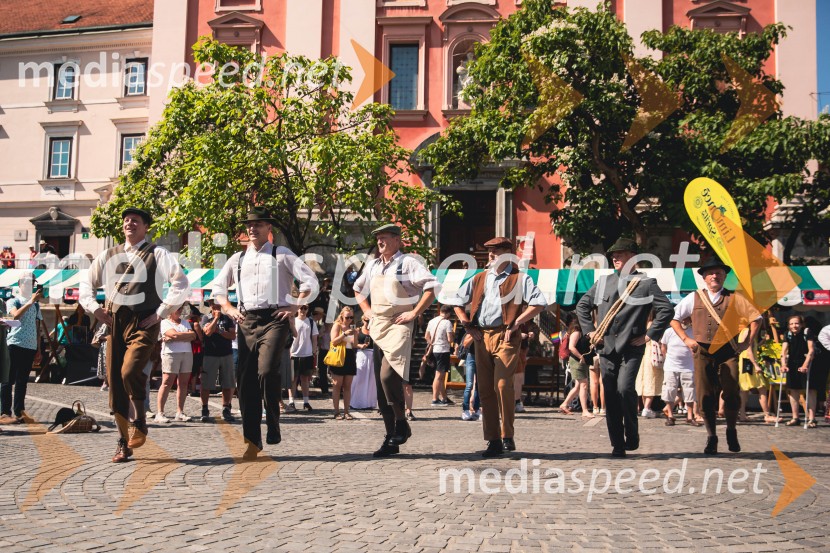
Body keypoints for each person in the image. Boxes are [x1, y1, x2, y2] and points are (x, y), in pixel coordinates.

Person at [80, 207, 190, 462]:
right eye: (126, 220)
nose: (129, 223)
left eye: (135, 221)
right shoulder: (108, 254)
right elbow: (86, 283)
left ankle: (139, 419)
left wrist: (162, 312)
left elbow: (181, 282)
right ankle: (122, 441)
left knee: (129, 371)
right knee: (115, 386)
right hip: (114, 321)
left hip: (144, 320)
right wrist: (95, 308)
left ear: (145, 227)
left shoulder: (157, 253)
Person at [212, 207, 317, 460]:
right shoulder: (237, 259)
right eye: (249, 225)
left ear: (269, 228)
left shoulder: (281, 254)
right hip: (246, 319)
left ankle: (273, 419)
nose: (252, 228)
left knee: (267, 370)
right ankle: (252, 441)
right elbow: (217, 288)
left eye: (258, 224)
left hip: (275, 318)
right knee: (245, 382)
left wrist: (294, 306)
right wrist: (227, 308)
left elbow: (310, 281)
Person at [449, 237, 547, 457]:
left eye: (495, 251)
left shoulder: (520, 278)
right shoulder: (479, 278)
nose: (491, 255)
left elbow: (539, 303)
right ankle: (492, 440)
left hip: (506, 336)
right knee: (484, 390)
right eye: (489, 251)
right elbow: (456, 301)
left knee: (502, 385)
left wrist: (518, 323)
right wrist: (467, 325)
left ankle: (507, 435)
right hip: (481, 336)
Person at [575, 238, 673, 458]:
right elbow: (582, 305)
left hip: (631, 347)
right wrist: (590, 331)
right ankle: (617, 444)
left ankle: (632, 432)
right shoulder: (603, 282)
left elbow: (666, 310)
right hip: (607, 347)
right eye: (613, 255)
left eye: (620, 253)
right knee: (610, 395)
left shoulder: (646, 284)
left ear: (633, 257)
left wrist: (649, 335)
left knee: (625, 389)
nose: (615, 257)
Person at [354, 223, 440, 457]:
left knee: (388, 375)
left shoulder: (408, 263)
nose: (380, 242)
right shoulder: (372, 265)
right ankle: (391, 437)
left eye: (385, 238)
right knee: (382, 388)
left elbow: (433, 287)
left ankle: (401, 421)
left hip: (400, 324)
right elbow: (357, 289)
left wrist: (415, 312)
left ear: (397, 241)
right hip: (378, 325)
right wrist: (367, 310)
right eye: (378, 238)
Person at [669, 257, 761, 455]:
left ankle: (731, 430)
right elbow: (674, 319)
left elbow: (756, 318)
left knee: (731, 392)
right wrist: (686, 339)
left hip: (728, 350)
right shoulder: (693, 298)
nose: (714, 276)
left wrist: (747, 342)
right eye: (710, 273)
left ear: (724, 276)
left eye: (718, 272)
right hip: (702, 352)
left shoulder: (735, 297)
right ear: (704, 277)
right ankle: (711, 437)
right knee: (704, 396)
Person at [0, 275, 43, 424]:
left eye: (32, 282)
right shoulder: (13, 300)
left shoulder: (37, 305)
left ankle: (19, 411)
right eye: (27, 282)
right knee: (8, 379)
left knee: (22, 381)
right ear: (20, 284)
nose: (30, 285)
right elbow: (15, 315)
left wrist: (38, 348)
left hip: (30, 346)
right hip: (15, 343)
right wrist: (31, 301)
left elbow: (37, 327)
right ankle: (5, 412)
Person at [155, 307, 195, 423]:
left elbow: (193, 336)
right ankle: (160, 412)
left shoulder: (185, 322)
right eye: (177, 309)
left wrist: (177, 336)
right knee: (167, 382)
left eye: (180, 309)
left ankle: (180, 411)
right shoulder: (164, 322)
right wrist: (182, 336)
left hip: (186, 353)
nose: (179, 311)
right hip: (171, 354)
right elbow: (173, 335)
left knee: (183, 383)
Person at [200, 297, 236, 422]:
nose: (214, 306)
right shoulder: (205, 318)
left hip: (226, 354)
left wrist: (219, 331)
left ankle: (226, 408)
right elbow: (208, 332)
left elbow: (232, 335)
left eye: (216, 303)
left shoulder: (228, 319)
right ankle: (204, 409)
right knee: (206, 383)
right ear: (209, 305)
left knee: (228, 382)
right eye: (211, 304)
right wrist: (215, 319)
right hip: (210, 354)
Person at [660, 318, 700, 426]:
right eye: (683, 319)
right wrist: (667, 358)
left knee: (689, 391)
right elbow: (663, 346)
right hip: (671, 366)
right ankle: (670, 415)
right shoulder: (669, 332)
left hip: (688, 366)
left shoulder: (693, 331)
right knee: (669, 390)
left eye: (687, 319)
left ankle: (690, 416)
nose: (685, 322)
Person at [781, 315, 817, 427]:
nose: (794, 326)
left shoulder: (807, 332)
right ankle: (795, 417)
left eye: (796, 323)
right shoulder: (788, 334)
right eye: (791, 324)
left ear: (801, 324)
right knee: (793, 391)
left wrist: (805, 365)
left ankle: (812, 419)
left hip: (807, 362)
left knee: (810, 390)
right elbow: (784, 352)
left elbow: (811, 350)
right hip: (793, 363)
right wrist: (783, 365)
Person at [560, 317, 594, 418]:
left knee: (578, 386)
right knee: (583, 385)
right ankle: (584, 410)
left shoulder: (580, 331)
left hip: (579, 361)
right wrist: (581, 357)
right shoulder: (577, 332)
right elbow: (571, 347)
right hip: (577, 361)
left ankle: (565, 404)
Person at [289, 304, 319, 411]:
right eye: (301, 308)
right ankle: (291, 401)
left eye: (305, 308)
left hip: (307, 354)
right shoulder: (293, 320)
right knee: (293, 379)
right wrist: (289, 351)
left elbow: (314, 338)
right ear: (297, 309)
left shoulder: (311, 322)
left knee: (305, 379)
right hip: (294, 353)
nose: (302, 310)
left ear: (308, 309)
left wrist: (314, 351)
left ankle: (306, 401)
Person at [330, 306, 357, 419]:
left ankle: (346, 411)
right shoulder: (337, 325)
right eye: (347, 317)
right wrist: (345, 334)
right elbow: (333, 341)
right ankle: (336, 411)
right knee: (337, 385)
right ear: (342, 316)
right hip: (339, 355)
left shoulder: (352, 327)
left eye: (351, 317)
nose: (349, 319)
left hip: (350, 356)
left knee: (347, 386)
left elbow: (354, 345)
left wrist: (355, 334)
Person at [635, 314, 664, 419]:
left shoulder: (640, 322)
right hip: (651, 355)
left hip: (641, 354)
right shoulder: (653, 324)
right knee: (651, 381)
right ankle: (647, 407)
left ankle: (643, 407)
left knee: (642, 382)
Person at [426, 305, 455, 406]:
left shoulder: (432, 321)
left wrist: (433, 343)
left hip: (435, 350)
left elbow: (426, 336)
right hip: (443, 350)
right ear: (448, 313)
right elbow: (450, 339)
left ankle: (445, 397)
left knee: (440, 375)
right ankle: (435, 399)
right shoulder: (447, 323)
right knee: (439, 376)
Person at [351, 315, 377, 410]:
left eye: (369, 320)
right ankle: (355, 401)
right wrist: (360, 346)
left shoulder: (374, 330)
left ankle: (369, 402)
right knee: (359, 378)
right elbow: (353, 344)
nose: (367, 322)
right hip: (362, 354)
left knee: (371, 379)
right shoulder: (358, 330)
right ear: (362, 320)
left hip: (372, 354)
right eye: (366, 320)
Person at [312, 307, 331, 396]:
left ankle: (335, 389)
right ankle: (325, 389)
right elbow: (317, 338)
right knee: (322, 371)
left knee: (332, 371)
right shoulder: (322, 327)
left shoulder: (333, 329)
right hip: (323, 351)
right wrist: (321, 335)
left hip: (331, 352)